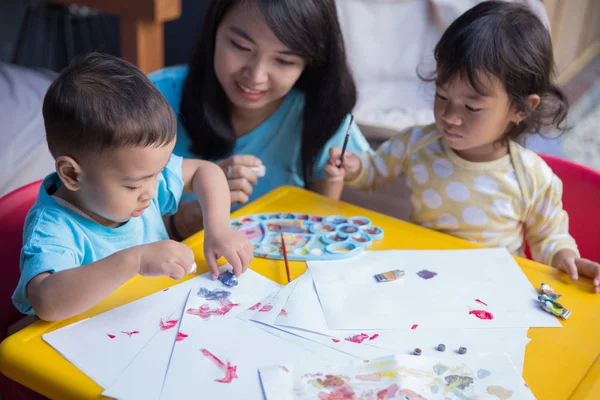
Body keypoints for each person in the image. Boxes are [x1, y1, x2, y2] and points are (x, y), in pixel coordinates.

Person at [325, 1, 600, 292]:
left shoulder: (532, 176)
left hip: (492, 290)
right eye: (442, 97)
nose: (450, 117)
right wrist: (355, 167)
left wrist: (566, 258)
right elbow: (375, 171)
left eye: (471, 107)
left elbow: (549, 238)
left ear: (521, 109)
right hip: (422, 278)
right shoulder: (418, 143)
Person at [12, 53, 254, 321]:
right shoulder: (53, 227)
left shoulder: (141, 177)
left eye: (158, 174)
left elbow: (204, 171)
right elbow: (46, 301)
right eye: (133, 185)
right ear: (71, 174)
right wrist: (133, 261)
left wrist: (218, 229)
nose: (151, 192)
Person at [149, 0, 370, 240]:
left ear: (311, 62)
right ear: (214, 30)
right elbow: (108, 231)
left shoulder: (321, 113)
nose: (255, 76)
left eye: (284, 61)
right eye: (241, 46)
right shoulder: (152, 102)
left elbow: (323, 228)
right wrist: (186, 219)